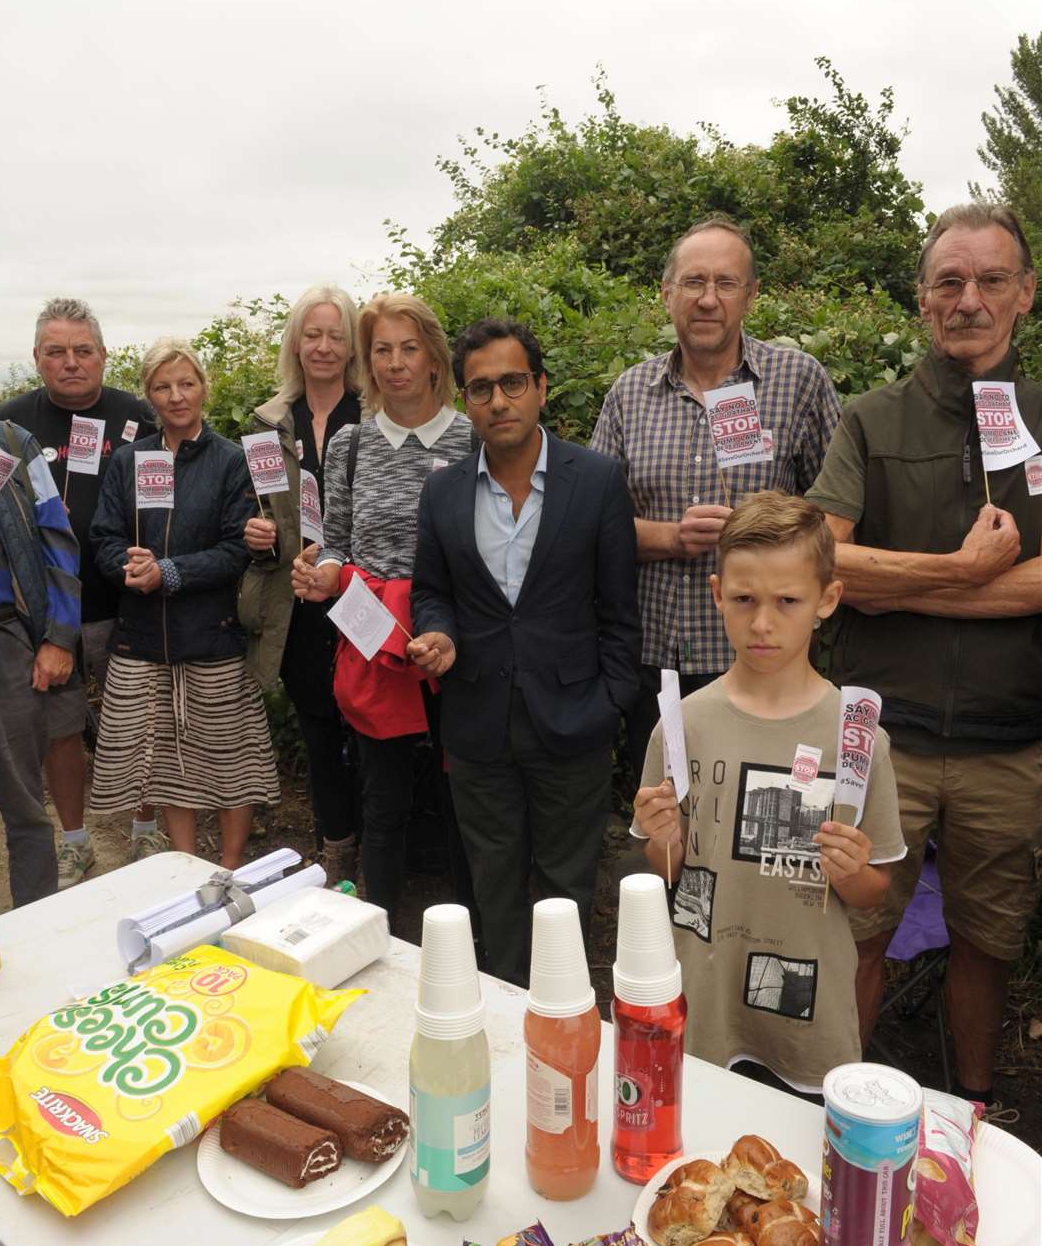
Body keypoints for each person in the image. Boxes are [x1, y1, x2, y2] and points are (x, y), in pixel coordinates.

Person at [807, 202, 1042, 1112]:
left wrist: (895, 581)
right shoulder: (872, 419)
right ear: (922, 300)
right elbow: (826, 562)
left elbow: (863, 574)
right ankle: (837, 1109)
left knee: (990, 940)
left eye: (991, 280)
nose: (970, 299)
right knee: (856, 929)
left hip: (1009, 741)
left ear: (1026, 293)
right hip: (882, 735)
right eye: (950, 281)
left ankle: (974, 1108)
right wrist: (961, 568)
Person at [632, 492, 905, 1096]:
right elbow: (673, 871)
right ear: (716, 595)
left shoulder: (857, 739)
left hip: (807, 1013)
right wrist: (662, 838)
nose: (762, 623)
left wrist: (852, 869)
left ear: (826, 600)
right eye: (744, 600)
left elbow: (871, 890)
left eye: (787, 601)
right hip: (705, 997)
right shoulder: (682, 725)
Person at [409, 318, 641, 985]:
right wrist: (440, 631)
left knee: (566, 893)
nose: (498, 400)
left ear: (540, 388)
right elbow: (431, 591)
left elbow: (619, 614)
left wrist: (608, 704)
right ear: (465, 399)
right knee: (494, 891)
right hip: (478, 723)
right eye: (480, 388)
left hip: (575, 720)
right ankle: (505, 1023)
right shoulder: (443, 490)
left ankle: (563, 1018)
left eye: (512, 382)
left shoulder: (595, 481)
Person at [590, 215, 841, 779]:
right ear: (666, 294)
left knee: (762, 815)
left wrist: (768, 533)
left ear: (750, 296)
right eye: (693, 283)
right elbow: (589, 526)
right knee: (669, 818)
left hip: (768, 658)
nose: (708, 299)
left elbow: (839, 521)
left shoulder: (799, 380)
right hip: (655, 661)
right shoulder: (630, 393)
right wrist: (671, 537)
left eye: (725, 284)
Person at [290, 293, 474, 924]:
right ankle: (381, 928)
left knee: (462, 788)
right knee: (383, 793)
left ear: (433, 359)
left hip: (454, 630)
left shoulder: (473, 437)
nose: (396, 364)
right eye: (382, 350)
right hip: (372, 633)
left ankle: (476, 938)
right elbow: (338, 540)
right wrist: (324, 573)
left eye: (409, 348)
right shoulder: (351, 443)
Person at [89, 340, 278, 868]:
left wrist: (168, 572)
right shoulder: (131, 460)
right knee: (170, 766)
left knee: (229, 762)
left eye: (186, 383)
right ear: (148, 396)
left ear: (203, 388)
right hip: (145, 640)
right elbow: (103, 536)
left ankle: (234, 868)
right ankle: (186, 869)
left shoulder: (231, 460)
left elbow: (236, 548)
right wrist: (128, 566)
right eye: (162, 387)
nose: (176, 396)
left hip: (212, 637)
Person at [0, 298, 160, 887]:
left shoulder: (138, 414)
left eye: (82, 351)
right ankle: (74, 840)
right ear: (37, 359)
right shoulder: (8, 425)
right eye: (57, 352)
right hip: (48, 615)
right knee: (59, 730)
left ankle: (147, 830)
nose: (71, 363)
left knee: (141, 722)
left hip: (129, 602)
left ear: (103, 356)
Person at [239, 285, 361, 882]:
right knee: (317, 722)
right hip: (296, 599)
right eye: (312, 334)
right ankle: (335, 841)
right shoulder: (268, 423)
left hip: (362, 594)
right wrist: (255, 532)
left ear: (352, 343)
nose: (324, 346)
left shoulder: (374, 413)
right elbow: (253, 506)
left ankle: (381, 839)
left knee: (370, 722)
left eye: (336, 334)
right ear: (295, 342)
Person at [0, 366, 80, 905]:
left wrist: (58, 636)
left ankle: (38, 933)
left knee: (25, 810)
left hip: (2, 646)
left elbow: (57, 536)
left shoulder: (10, 444)